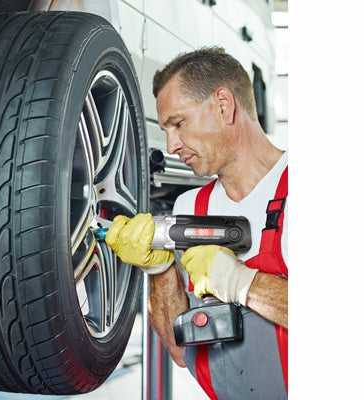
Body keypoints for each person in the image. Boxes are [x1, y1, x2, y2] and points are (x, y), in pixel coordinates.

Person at [105, 46, 288, 399]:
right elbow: (180, 350)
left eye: (178, 123)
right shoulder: (190, 207)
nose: (171, 145)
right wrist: (159, 270)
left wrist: (240, 281)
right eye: (166, 129)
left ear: (223, 105)